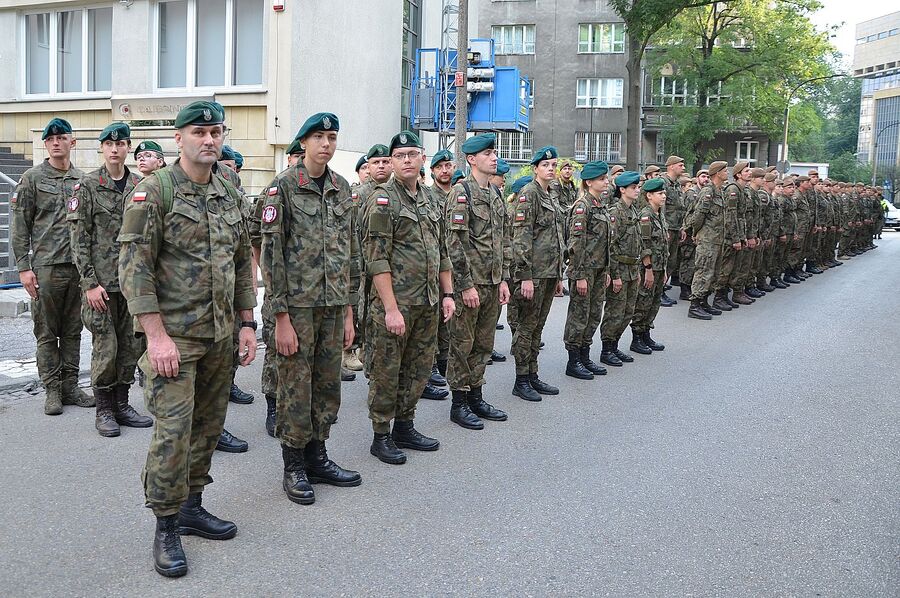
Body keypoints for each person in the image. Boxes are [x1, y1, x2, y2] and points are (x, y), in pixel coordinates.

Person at [118, 101, 257, 578]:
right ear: (179, 138)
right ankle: (165, 524)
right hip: (174, 340)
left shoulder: (229, 191)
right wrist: (155, 336)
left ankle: (193, 506)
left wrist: (246, 322)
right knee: (173, 434)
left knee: (207, 429)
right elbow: (133, 269)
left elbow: (242, 262)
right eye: (199, 131)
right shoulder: (153, 191)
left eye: (216, 131)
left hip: (220, 336)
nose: (209, 139)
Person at [260, 112, 362, 505]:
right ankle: (294, 465)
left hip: (334, 306)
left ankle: (319, 455)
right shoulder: (282, 188)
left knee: (327, 384)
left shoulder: (341, 189)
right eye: (318, 136)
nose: (326, 143)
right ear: (303, 142)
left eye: (332, 136)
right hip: (297, 308)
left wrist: (350, 310)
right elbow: (272, 259)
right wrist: (281, 318)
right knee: (294, 388)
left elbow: (351, 253)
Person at [361, 131, 455, 465]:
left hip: (427, 301)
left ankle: (405, 425)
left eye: (412, 154)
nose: (406, 161)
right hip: (396, 303)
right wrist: (390, 309)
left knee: (417, 369)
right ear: (392, 161)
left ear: (422, 158)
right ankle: (381, 434)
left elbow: (441, 250)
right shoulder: (383, 200)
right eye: (399, 156)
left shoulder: (431, 199)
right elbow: (376, 258)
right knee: (388, 371)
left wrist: (448, 293)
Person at [68, 122, 151, 437]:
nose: (115, 150)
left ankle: (122, 404)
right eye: (109, 144)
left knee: (129, 346)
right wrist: (89, 283)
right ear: (102, 149)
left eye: (121, 144)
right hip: (100, 285)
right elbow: (78, 239)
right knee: (106, 347)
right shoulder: (87, 186)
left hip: (131, 284)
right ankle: (104, 409)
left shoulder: (140, 187)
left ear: (128, 147)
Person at [12, 118, 94, 415]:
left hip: (77, 268)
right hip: (46, 267)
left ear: (72, 142)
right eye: (51, 139)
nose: (56, 142)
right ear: (45, 144)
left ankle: (71, 386)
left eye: (62, 137)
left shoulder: (83, 180)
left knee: (73, 330)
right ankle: (52, 390)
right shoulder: (32, 179)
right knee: (47, 332)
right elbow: (20, 226)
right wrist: (24, 267)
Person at [444, 134, 510, 430]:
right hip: (470, 284)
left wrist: (504, 279)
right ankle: (459, 403)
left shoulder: (495, 195)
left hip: (493, 282)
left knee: (484, 343)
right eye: (487, 153)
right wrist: (465, 284)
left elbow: (502, 241)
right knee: (463, 343)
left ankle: (476, 396)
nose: (493, 157)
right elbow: (454, 243)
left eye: (494, 152)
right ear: (472, 159)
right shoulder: (462, 193)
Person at [510, 146, 565, 402]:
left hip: (549, 272)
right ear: (535, 169)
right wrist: (525, 276)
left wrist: (559, 276)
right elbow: (521, 238)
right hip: (533, 274)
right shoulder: (529, 194)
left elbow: (555, 238)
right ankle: (521, 379)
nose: (551, 169)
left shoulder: (551, 193)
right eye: (546, 165)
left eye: (553, 165)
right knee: (526, 326)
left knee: (538, 328)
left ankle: (533, 374)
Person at [562, 161, 611, 380]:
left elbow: (604, 243)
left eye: (606, 178)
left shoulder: (601, 205)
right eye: (601, 179)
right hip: (584, 271)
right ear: (589, 182)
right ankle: (573, 361)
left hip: (599, 269)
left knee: (593, 315)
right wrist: (579, 275)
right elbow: (576, 244)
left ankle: (585, 354)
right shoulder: (583, 206)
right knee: (579, 316)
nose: (606, 181)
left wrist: (607, 270)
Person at [599, 171, 643, 364]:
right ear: (622, 190)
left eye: (638, 187)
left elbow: (638, 241)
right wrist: (614, 275)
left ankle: (615, 345)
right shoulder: (616, 212)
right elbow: (611, 246)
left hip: (633, 268)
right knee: (615, 311)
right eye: (634, 188)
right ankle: (607, 348)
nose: (637, 190)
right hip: (620, 269)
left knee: (627, 311)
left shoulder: (633, 210)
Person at [425, 149, 455, 396]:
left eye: (448, 165)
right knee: (433, 321)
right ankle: (432, 365)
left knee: (448, 320)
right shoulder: (428, 197)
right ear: (433, 171)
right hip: (433, 269)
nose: (445, 170)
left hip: (454, 265)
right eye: (440, 166)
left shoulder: (458, 195)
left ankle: (444, 360)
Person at [686, 161, 730, 320]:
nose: (727, 172)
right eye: (725, 170)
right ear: (717, 173)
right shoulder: (708, 192)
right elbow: (698, 216)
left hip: (717, 239)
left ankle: (704, 301)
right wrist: (695, 232)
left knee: (714, 273)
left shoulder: (720, 191)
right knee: (703, 272)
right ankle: (695, 305)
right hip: (707, 240)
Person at [629, 177, 669, 354]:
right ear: (649, 196)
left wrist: (665, 269)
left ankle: (646, 334)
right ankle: (636, 338)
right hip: (649, 268)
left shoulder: (659, 214)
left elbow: (663, 245)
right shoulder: (646, 216)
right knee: (643, 302)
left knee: (654, 302)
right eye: (660, 193)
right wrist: (648, 270)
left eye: (664, 193)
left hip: (660, 267)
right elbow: (644, 245)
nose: (664, 196)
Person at [713, 162, 750, 310]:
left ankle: (725, 295)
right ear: (738, 175)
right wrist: (735, 238)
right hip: (730, 237)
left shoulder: (741, 190)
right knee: (725, 269)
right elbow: (731, 216)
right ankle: (718, 297)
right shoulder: (733, 189)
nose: (750, 173)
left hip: (737, 233)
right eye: (746, 171)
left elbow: (741, 217)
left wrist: (742, 236)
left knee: (732, 268)